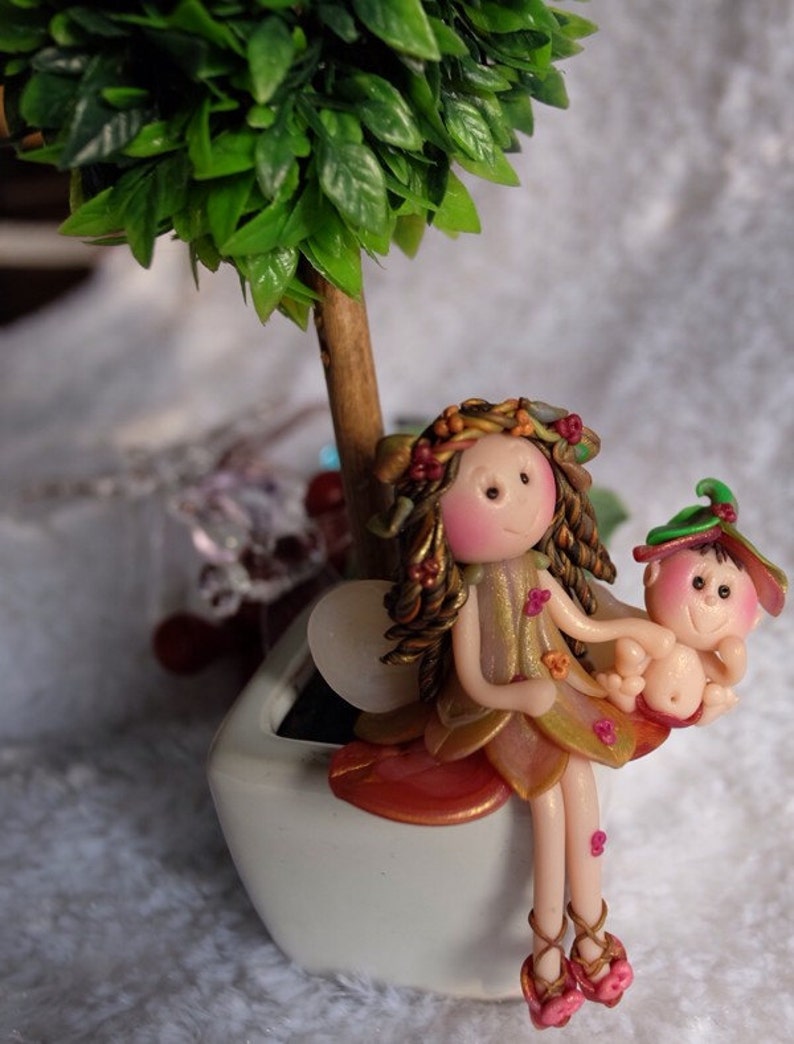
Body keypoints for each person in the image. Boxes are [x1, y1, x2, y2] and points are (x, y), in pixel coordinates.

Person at [345, 397, 673, 1029]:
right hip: (501, 711)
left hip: (563, 693)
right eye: (491, 491)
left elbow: (578, 625)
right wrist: (516, 697)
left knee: (585, 798)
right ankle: (546, 957)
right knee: (547, 813)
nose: (518, 502)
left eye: (525, 478)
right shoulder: (469, 593)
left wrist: (640, 632)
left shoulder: (539, 570)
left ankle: (593, 937)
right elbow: (472, 676)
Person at [597, 479, 787, 729]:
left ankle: (711, 708)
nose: (710, 598)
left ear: (754, 620)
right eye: (698, 582)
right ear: (653, 573)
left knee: (712, 694)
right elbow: (633, 652)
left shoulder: (703, 655)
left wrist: (735, 663)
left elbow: (725, 676)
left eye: (724, 592)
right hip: (642, 698)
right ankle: (624, 696)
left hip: (689, 712)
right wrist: (629, 663)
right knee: (631, 661)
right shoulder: (658, 639)